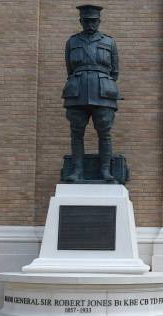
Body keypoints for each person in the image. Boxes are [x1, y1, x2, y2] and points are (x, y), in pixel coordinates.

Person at [62, 4, 120, 182]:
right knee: (76, 132)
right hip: (77, 91)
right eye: (86, 21)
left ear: (99, 21)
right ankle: (77, 171)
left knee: (105, 133)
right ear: (80, 21)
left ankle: (105, 170)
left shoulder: (109, 42)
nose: (90, 25)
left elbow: (115, 71)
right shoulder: (72, 42)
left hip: (103, 93)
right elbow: (70, 69)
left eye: (94, 21)